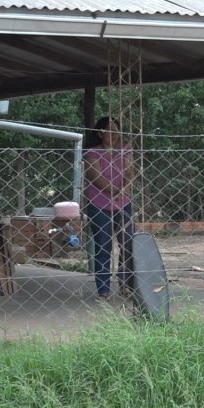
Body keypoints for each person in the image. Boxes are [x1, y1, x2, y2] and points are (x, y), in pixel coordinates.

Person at [83, 116, 135, 299]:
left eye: (116, 129)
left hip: (123, 203)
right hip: (99, 204)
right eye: (110, 129)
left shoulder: (124, 150)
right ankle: (104, 289)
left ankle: (126, 283)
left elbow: (130, 173)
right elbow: (95, 177)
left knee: (127, 243)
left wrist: (124, 189)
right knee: (104, 246)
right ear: (100, 133)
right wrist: (116, 190)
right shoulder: (92, 153)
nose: (114, 133)